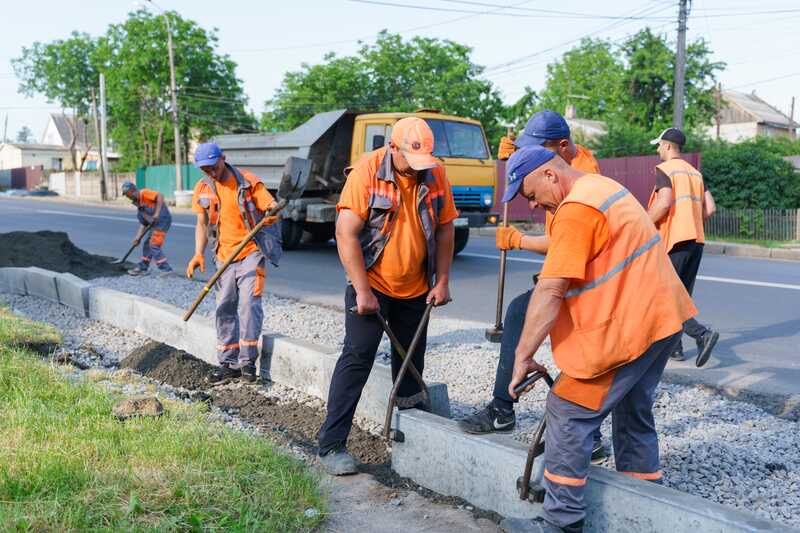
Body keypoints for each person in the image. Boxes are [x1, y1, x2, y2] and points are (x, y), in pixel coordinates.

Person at [499, 145, 695, 533]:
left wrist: (523, 355)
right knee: (633, 410)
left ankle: (561, 523)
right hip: (661, 320)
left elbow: (551, 290)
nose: (535, 205)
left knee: (569, 411)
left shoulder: (576, 211)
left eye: (532, 195)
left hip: (628, 329)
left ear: (551, 175)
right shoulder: (601, 188)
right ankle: (644, 513)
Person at [458, 110, 608, 463]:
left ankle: (505, 411)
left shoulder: (582, 175)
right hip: (573, 269)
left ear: (561, 147)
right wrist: (511, 161)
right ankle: (509, 410)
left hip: (586, 281)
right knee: (522, 314)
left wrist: (520, 241)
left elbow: (561, 241)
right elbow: (559, 237)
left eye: (537, 150)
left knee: (543, 325)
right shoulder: (561, 164)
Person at [317, 117, 458, 475]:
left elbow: (444, 229)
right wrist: (362, 290)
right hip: (372, 282)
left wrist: (442, 280)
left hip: (417, 286)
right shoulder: (365, 173)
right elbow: (345, 233)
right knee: (357, 357)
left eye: (423, 160)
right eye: (411, 159)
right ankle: (331, 445)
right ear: (393, 148)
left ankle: (411, 439)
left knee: (411, 364)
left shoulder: (434, 174)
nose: (417, 168)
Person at [186, 142, 281, 384]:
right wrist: (198, 253)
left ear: (223, 159)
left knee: (249, 304)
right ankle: (229, 363)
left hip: (251, 251)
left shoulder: (248, 182)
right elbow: (202, 223)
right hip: (223, 256)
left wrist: (272, 212)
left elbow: (271, 207)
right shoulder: (202, 187)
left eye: (213, 167)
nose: (210, 172)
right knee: (224, 306)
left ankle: (248, 362)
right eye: (204, 169)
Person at [647, 127, 719, 366]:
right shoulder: (695, 174)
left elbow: (663, 203)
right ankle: (674, 349)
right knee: (681, 296)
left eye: (659, 145)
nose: (657, 149)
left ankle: (702, 334)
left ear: (667, 146)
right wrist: (692, 221)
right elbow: (710, 209)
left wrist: (641, 225)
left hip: (674, 242)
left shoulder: (665, 169)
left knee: (666, 296)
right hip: (695, 241)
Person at [122, 181, 173, 276]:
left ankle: (166, 269)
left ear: (133, 190)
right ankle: (143, 267)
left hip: (162, 220)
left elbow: (160, 196)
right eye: (125, 194)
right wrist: (137, 238)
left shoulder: (144, 193)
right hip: (154, 224)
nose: (127, 196)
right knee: (147, 244)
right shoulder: (139, 207)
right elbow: (143, 224)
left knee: (154, 244)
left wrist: (157, 213)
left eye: (127, 193)